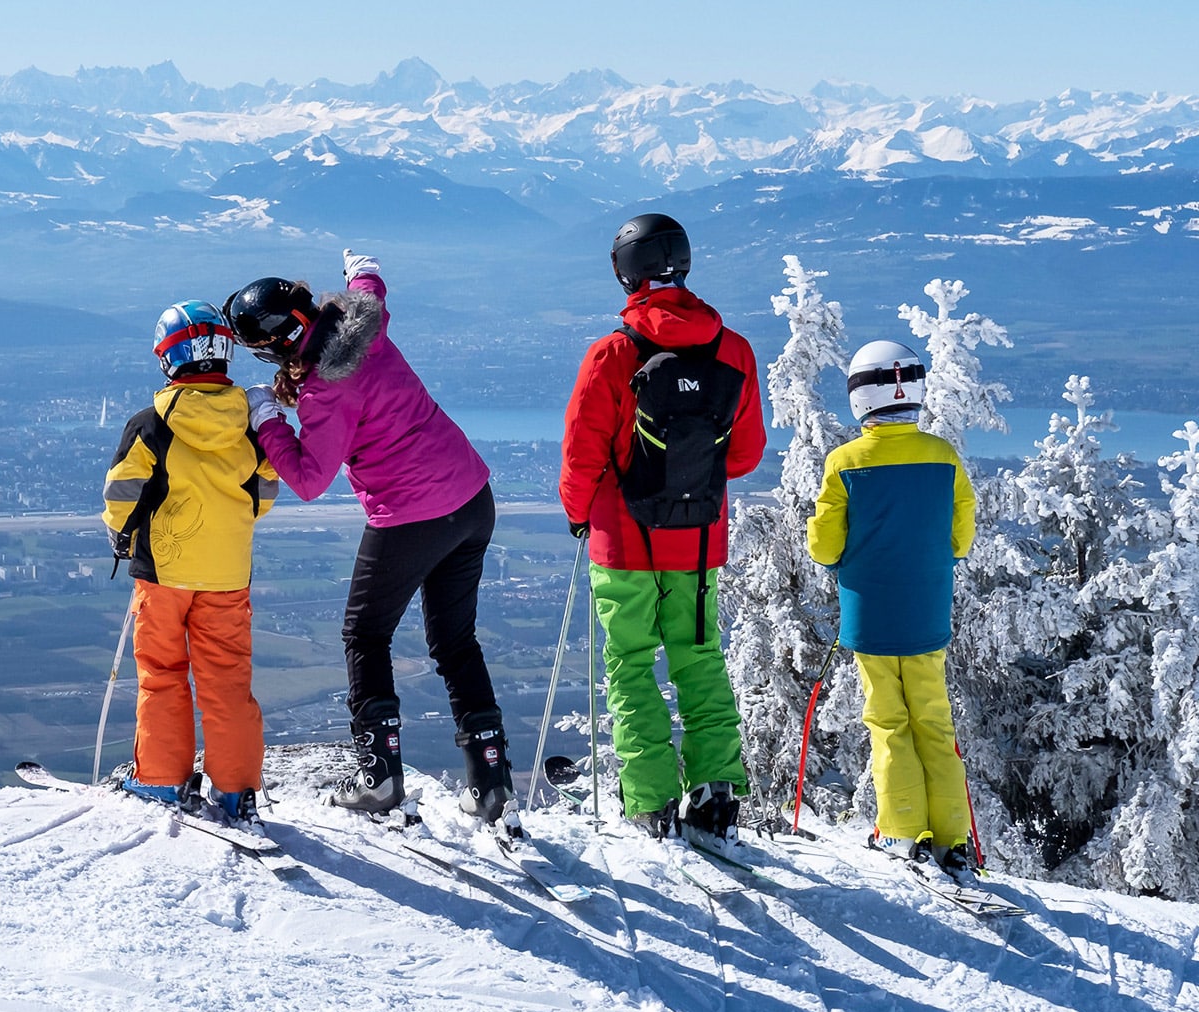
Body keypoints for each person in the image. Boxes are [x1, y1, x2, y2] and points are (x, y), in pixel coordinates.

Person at [224, 251, 513, 825]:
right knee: (455, 641)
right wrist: (362, 264)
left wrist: (268, 422)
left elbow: (308, 478)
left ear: (281, 345)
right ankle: (490, 782)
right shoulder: (366, 323)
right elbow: (369, 286)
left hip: (410, 515)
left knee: (364, 633)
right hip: (472, 498)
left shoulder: (327, 394)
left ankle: (380, 778)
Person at [559, 213, 767, 843]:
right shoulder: (732, 351)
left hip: (623, 543)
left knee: (628, 664)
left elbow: (581, 455)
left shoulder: (614, 353)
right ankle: (715, 790)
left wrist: (578, 514)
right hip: (699, 539)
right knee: (699, 657)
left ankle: (649, 799)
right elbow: (747, 453)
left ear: (628, 273)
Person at [807, 339, 981, 875]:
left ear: (861, 399)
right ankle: (953, 837)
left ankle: (903, 831)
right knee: (933, 719)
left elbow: (824, 547)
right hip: (928, 608)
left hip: (871, 612)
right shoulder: (942, 456)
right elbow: (961, 538)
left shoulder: (846, 462)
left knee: (888, 720)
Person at [101, 300, 279, 823]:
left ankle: (160, 780)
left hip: (163, 573)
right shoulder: (250, 424)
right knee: (227, 682)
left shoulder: (151, 424)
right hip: (227, 574)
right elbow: (264, 492)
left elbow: (120, 498)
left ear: (168, 357)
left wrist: (124, 538)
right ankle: (236, 790)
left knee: (162, 674)